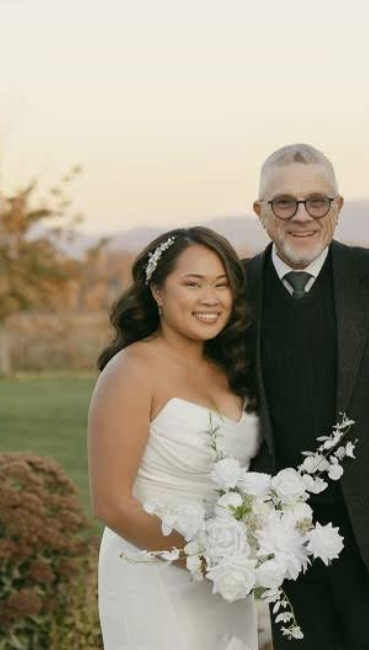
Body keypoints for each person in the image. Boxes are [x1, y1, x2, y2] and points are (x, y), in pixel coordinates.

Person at [244, 144, 369, 650]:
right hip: (284, 541)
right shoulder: (233, 290)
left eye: (317, 201)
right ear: (259, 212)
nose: (302, 216)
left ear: (338, 208)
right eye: (284, 203)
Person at [89, 226, 261, 650]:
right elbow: (111, 503)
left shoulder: (231, 368)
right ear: (158, 293)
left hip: (225, 582)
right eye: (193, 283)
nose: (211, 298)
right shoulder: (132, 371)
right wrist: (206, 557)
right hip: (151, 573)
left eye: (221, 285)